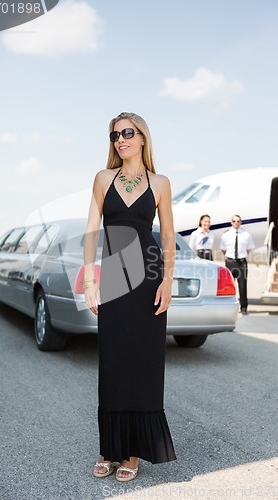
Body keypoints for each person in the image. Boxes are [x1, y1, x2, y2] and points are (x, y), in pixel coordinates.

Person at [83, 112, 177, 483]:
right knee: (113, 360)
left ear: (142, 137)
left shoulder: (161, 183)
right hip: (115, 277)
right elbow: (92, 229)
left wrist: (168, 279)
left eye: (126, 133)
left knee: (142, 362)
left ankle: (133, 451)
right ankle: (109, 448)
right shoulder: (103, 178)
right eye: (114, 135)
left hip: (148, 276)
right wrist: (90, 280)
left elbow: (167, 235)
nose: (119, 139)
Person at [220, 215, 254, 315]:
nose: (236, 223)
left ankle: (244, 307)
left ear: (241, 222)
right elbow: (223, 248)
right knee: (228, 285)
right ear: (231, 222)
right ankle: (227, 306)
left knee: (243, 285)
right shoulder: (226, 234)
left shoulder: (246, 234)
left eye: (238, 221)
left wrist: (241, 256)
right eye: (234, 221)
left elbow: (249, 249)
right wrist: (230, 257)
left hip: (241, 262)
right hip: (230, 262)